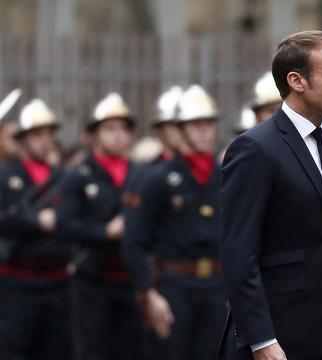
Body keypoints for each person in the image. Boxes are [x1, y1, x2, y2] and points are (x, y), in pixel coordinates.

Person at [219, 30, 322, 360]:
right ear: (297, 81)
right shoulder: (254, 148)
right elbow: (239, 256)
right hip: (279, 336)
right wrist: (261, 340)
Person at [123, 84, 227, 359]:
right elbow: (134, 242)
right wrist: (148, 294)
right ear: (180, 131)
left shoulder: (226, 176)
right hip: (174, 286)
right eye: (196, 125)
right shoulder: (157, 179)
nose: (205, 131)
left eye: (209, 124)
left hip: (218, 287)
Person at [57, 92, 145, 360]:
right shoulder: (78, 175)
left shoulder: (139, 173)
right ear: (94, 135)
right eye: (109, 129)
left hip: (131, 279)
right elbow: (65, 224)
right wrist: (104, 231)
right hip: (93, 279)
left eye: (123, 129)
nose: (117, 135)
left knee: (132, 349)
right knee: (95, 348)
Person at [0, 98, 71, 359]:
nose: (45, 140)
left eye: (49, 134)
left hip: (57, 280)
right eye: (37, 134)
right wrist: (35, 221)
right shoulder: (6, 177)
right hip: (18, 281)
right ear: (23, 140)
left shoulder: (64, 178)